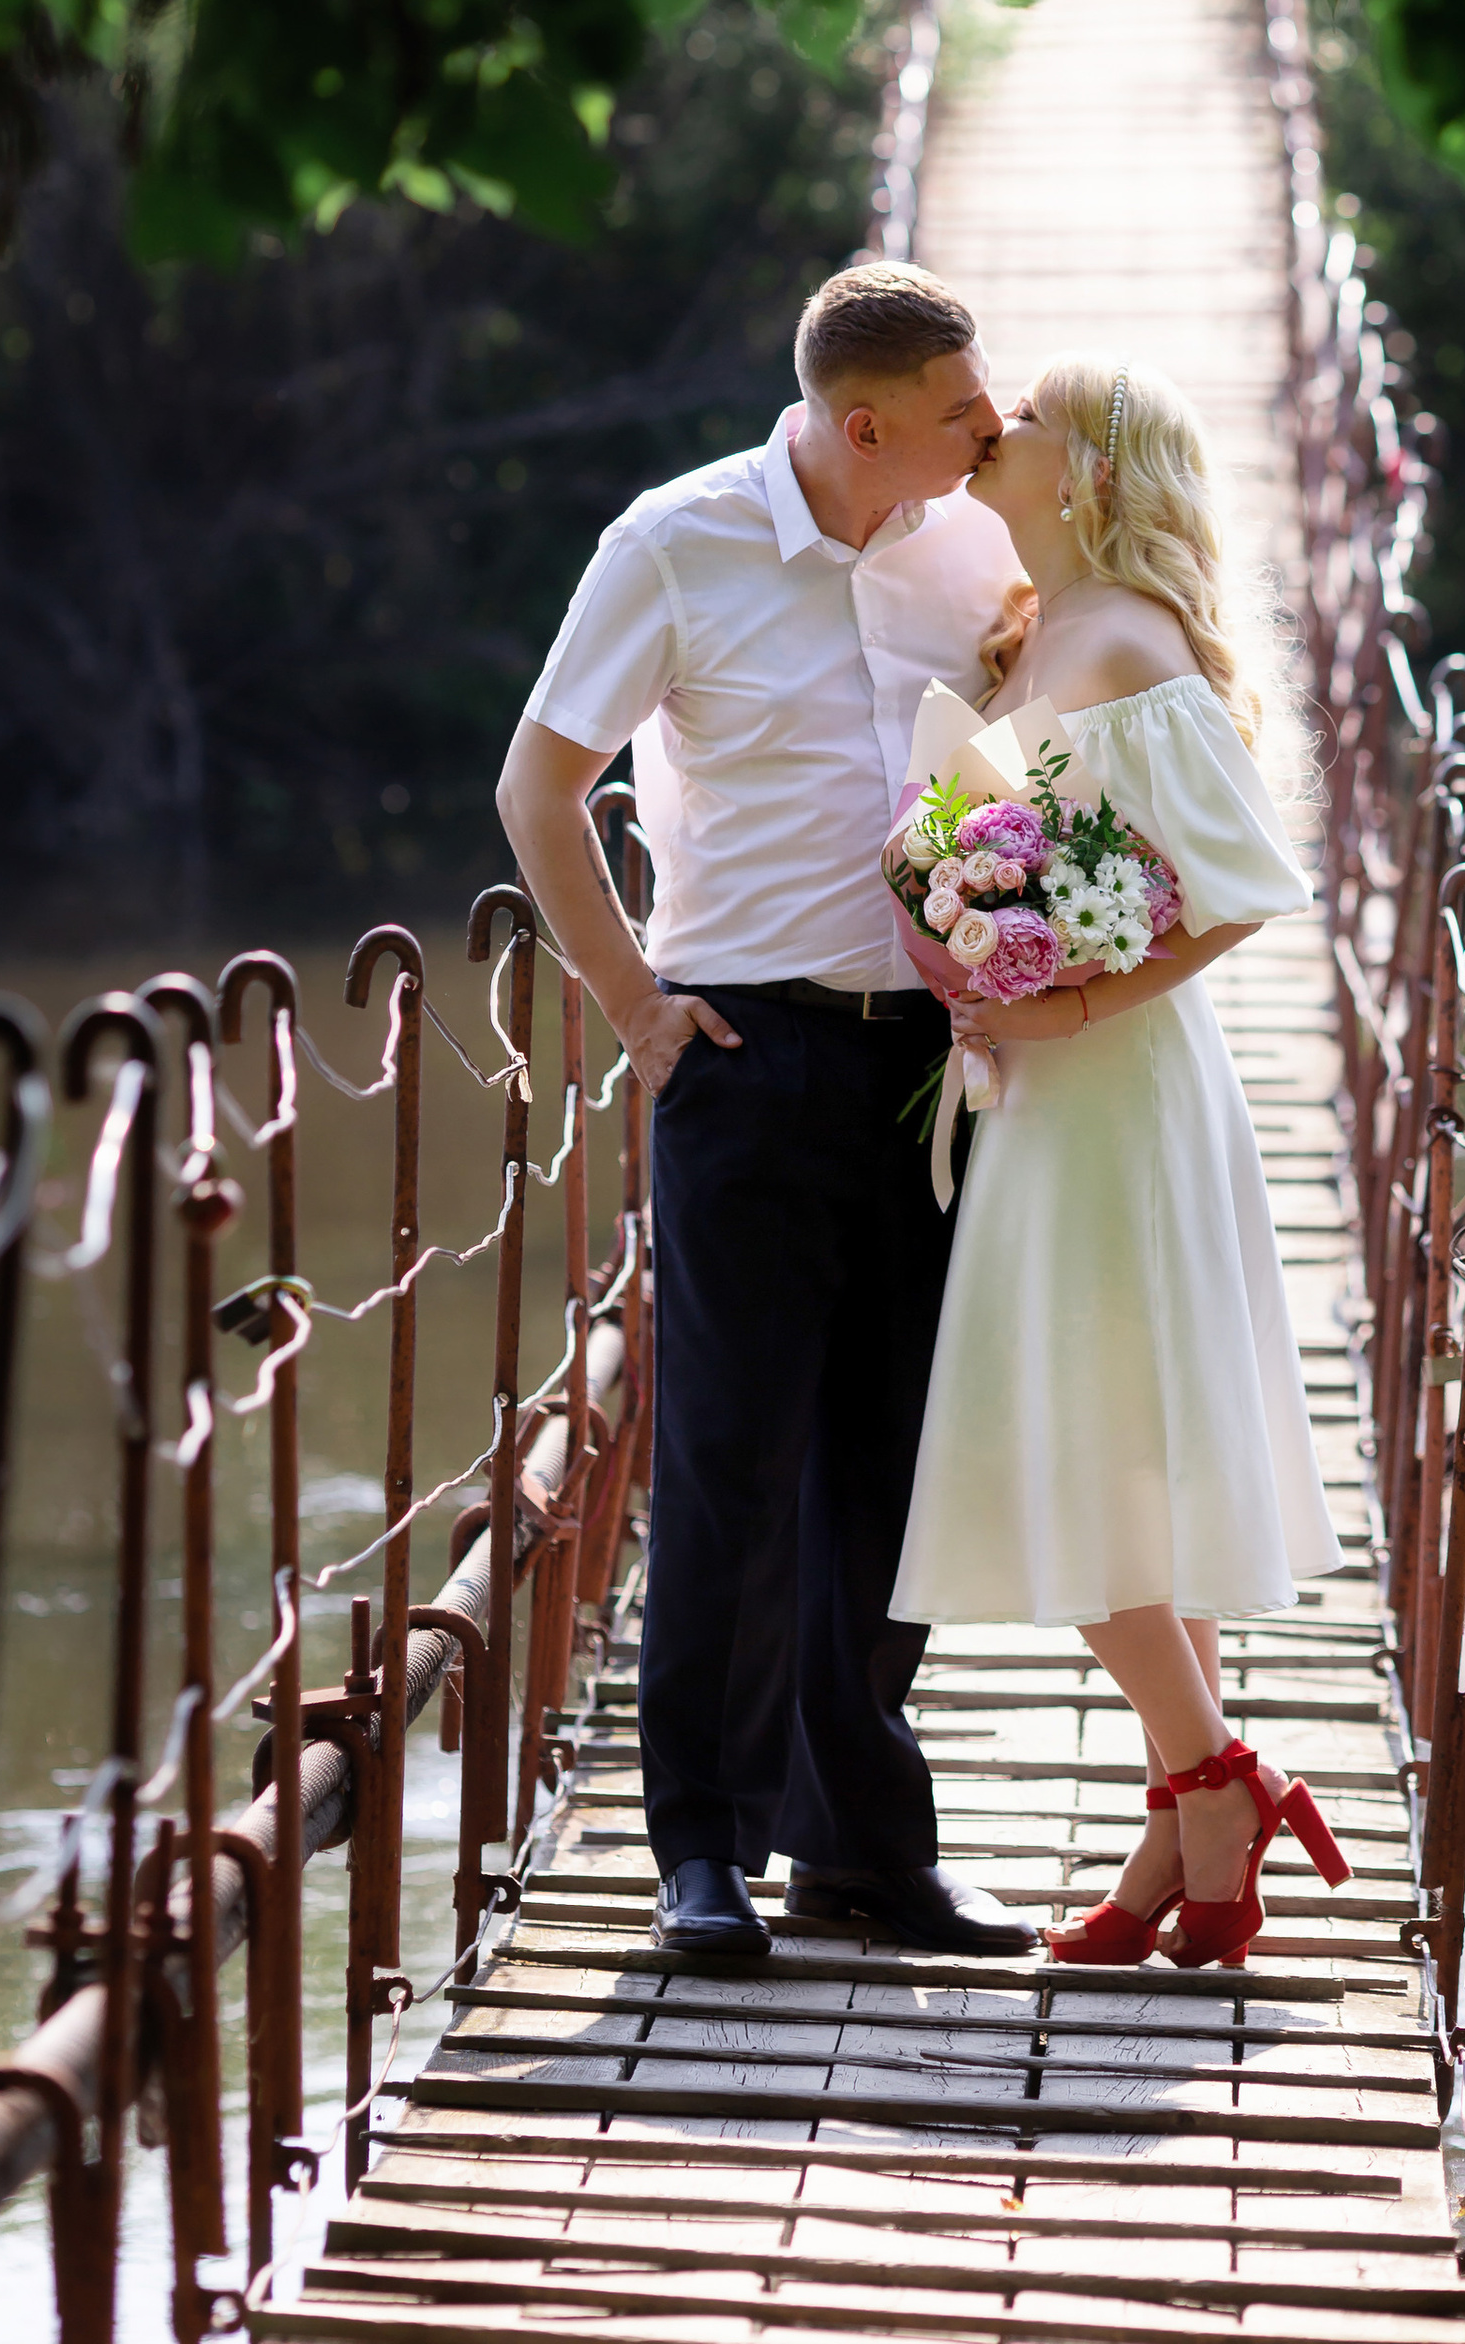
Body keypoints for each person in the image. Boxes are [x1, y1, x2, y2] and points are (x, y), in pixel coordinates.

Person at [496, 259, 1041, 1965]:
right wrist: (636, 1008)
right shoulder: (674, 542)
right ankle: (701, 1855)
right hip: (743, 1058)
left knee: (893, 1461)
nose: (995, 425)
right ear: (865, 425)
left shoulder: (974, 539)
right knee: (733, 1464)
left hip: (932, 1063)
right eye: (964, 409)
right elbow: (538, 787)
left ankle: (862, 1850)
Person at [890, 358, 1349, 1973]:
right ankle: (1188, 1853)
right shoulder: (1041, 619)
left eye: (1030, 418)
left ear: (1088, 471)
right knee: (1126, 1457)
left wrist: (1067, 989)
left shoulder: (1130, 645)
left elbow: (1236, 887)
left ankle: (1222, 1781)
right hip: (1053, 1094)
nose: (994, 425)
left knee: (1074, 1453)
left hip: (1114, 1090)